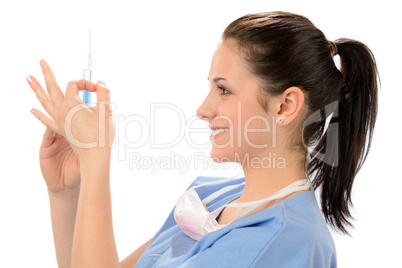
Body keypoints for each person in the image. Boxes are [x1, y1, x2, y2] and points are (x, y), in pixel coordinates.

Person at [27, 11, 378, 268]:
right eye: (209, 87)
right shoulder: (211, 197)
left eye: (223, 89)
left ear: (285, 105)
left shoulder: (285, 241)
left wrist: (97, 159)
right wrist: (67, 191)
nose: (202, 109)